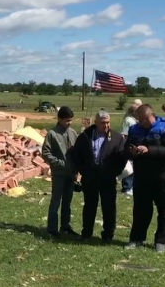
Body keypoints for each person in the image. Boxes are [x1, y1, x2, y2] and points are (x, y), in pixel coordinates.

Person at [125, 104, 165, 253]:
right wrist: (132, 152)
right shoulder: (135, 129)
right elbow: (127, 149)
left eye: (143, 120)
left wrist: (150, 150)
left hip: (163, 176)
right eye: (139, 120)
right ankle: (137, 238)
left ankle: (161, 240)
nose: (141, 123)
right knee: (141, 209)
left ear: (151, 115)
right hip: (142, 176)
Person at [70, 111, 127, 242]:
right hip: (90, 178)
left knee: (109, 207)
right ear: (96, 123)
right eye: (103, 123)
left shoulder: (117, 138)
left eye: (108, 122)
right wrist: (83, 170)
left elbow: (122, 158)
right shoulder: (85, 136)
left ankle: (108, 234)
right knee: (90, 206)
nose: (106, 125)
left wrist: (115, 171)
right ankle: (87, 232)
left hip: (108, 178)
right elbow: (76, 155)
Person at [42, 106, 79, 237]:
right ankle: (52, 228)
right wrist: (60, 163)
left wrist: (77, 169)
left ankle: (65, 226)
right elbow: (46, 153)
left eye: (71, 120)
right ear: (59, 119)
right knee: (56, 201)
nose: (69, 123)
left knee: (67, 202)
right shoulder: (52, 134)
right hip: (59, 174)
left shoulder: (73, 133)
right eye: (67, 121)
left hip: (71, 174)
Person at [120, 99, 142, 195]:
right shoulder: (128, 120)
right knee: (128, 167)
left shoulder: (133, 120)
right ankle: (127, 187)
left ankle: (131, 186)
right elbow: (124, 134)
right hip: (129, 145)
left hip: (134, 145)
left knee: (133, 167)